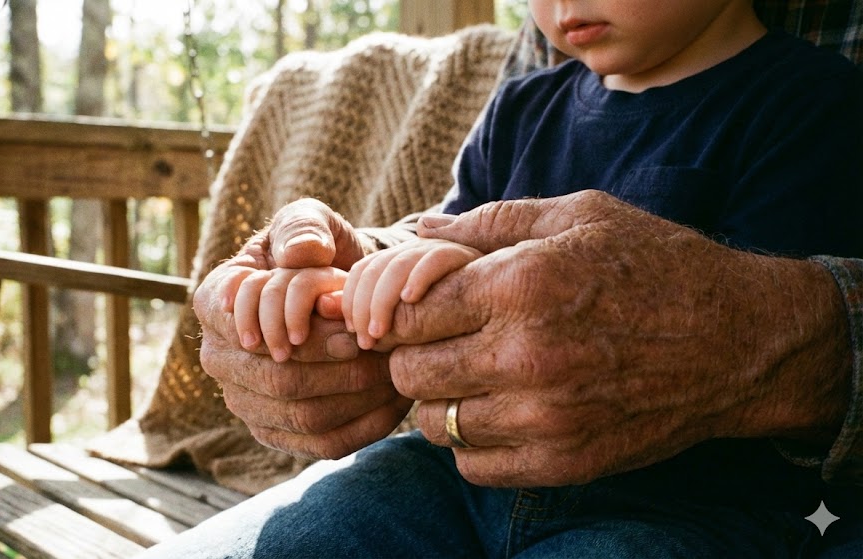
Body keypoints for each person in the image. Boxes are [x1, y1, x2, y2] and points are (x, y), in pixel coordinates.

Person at [138, 2, 863, 558]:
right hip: (450, 473)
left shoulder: (812, 102)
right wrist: (348, 280)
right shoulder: (521, 107)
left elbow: (774, 357)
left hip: (685, 507)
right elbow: (444, 231)